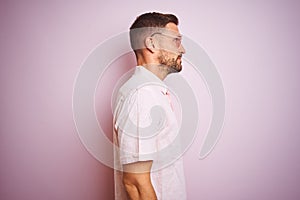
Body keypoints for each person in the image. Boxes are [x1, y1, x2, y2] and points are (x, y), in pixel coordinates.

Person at [113, 12, 186, 200]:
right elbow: (135, 182)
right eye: (176, 41)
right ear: (152, 44)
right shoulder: (142, 95)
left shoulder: (152, 93)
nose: (182, 49)